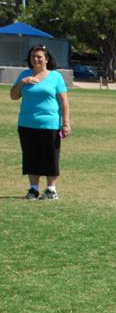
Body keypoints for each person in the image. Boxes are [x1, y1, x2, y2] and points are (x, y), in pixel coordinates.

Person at [9, 44, 70, 200]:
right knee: (31, 156)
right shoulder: (25, 75)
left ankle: (51, 190)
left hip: (50, 124)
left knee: (51, 156)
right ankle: (33, 189)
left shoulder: (55, 76)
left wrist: (66, 123)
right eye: (33, 57)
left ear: (46, 59)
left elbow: (64, 101)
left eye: (39, 57)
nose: (36, 59)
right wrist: (23, 82)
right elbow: (14, 96)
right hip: (27, 123)